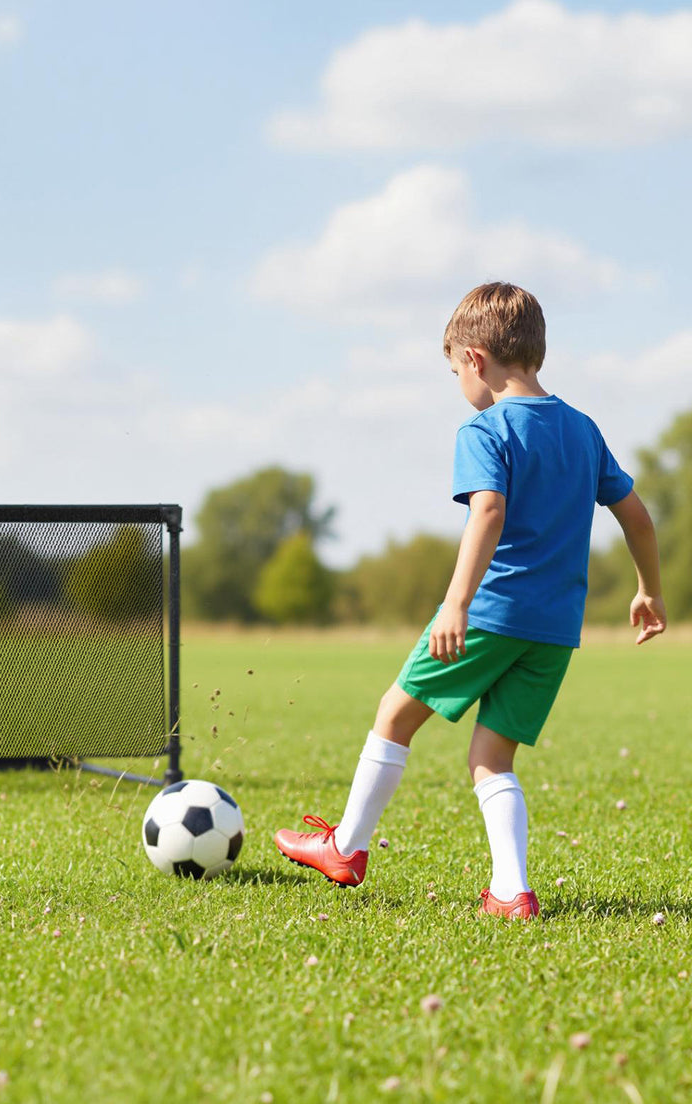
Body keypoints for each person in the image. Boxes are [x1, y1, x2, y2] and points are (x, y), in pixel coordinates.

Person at [274, 282, 666, 919]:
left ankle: (345, 847)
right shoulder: (583, 429)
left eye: (455, 369)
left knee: (395, 715)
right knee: (491, 757)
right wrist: (649, 589)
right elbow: (639, 519)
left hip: (489, 610)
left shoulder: (485, 428)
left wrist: (456, 603)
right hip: (556, 627)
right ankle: (512, 891)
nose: (459, 381)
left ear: (475, 359)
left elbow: (488, 509)